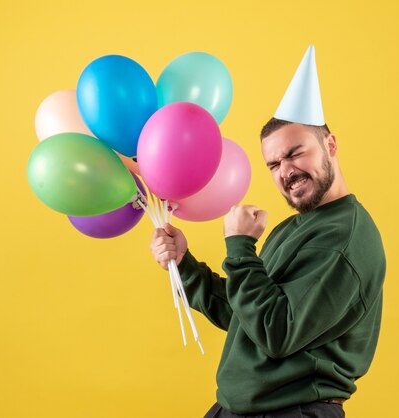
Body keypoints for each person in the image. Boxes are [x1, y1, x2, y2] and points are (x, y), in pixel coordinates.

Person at [150, 46, 386, 418]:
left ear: (331, 145)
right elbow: (246, 316)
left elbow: (277, 332)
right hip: (238, 409)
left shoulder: (343, 238)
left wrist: (241, 246)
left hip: (292, 411)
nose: (285, 171)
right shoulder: (294, 226)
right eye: (274, 163)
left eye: (296, 153)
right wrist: (186, 265)